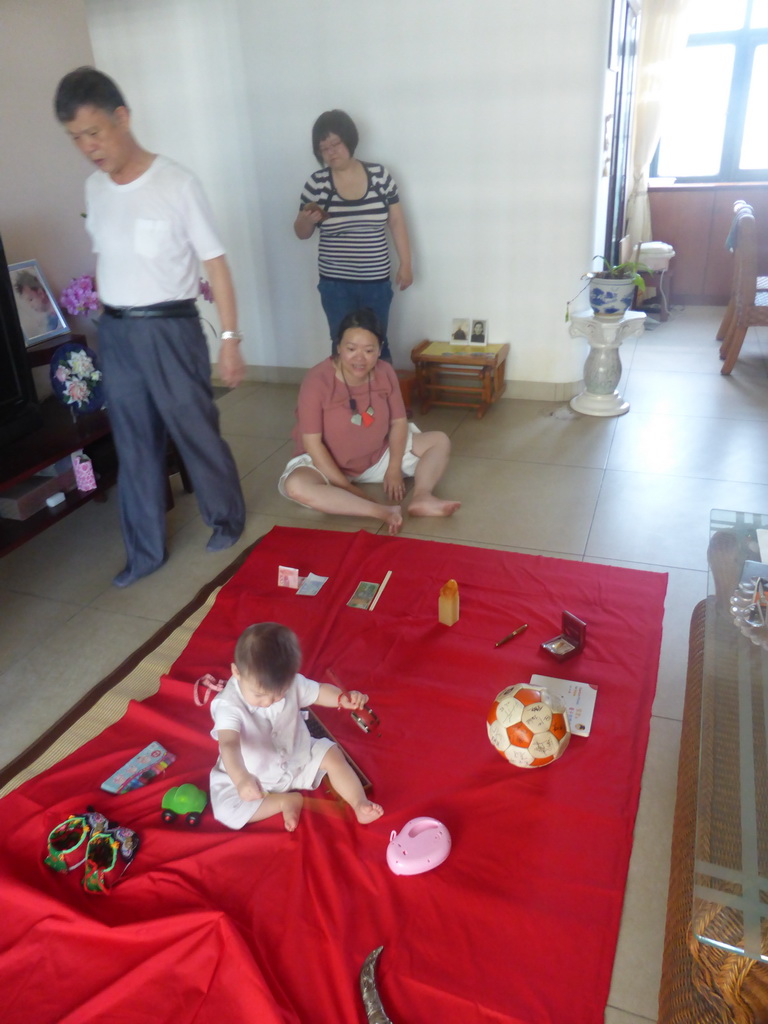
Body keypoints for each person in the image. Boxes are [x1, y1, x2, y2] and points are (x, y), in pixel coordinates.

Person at [53, 67, 246, 587]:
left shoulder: (176, 183)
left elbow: (217, 264)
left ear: (122, 117)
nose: (88, 147)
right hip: (116, 332)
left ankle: (226, 518)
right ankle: (144, 552)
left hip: (171, 328)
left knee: (194, 428)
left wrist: (230, 339)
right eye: (76, 138)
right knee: (134, 442)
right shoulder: (95, 189)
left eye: (94, 132)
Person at [279, 308, 460, 535]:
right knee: (295, 486)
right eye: (351, 349)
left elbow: (398, 423)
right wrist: (345, 486)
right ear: (338, 347)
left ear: (379, 350)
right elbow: (313, 444)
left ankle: (423, 497)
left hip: (377, 457)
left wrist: (393, 468)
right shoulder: (317, 380)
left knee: (439, 440)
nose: (359, 358)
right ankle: (380, 511)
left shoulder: (384, 372)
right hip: (327, 464)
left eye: (369, 350)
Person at [209, 622, 384, 831]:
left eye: (279, 693)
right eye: (259, 695)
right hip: (254, 774)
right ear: (236, 672)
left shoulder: (290, 682)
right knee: (225, 811)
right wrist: (241, 779)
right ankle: (285, 802)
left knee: (333, 755)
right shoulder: (228, 704)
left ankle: (359, 804)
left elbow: (318, 691)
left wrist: (341, 698)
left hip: (296, 756)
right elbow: (229, 744)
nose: (269, 702)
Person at [294, 110, 413, 362]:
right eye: (324, 148)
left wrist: (406, 263)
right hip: (335, 283)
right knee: (342, 344)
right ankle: (345, 401)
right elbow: (302, 234)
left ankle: (383, 401)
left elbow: (396, 221)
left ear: (349, 140)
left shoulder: (380, 176)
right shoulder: (317, 184)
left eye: (336, 143)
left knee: (377, 344)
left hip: (376, 281)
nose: (331, 152)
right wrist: (305, 220)